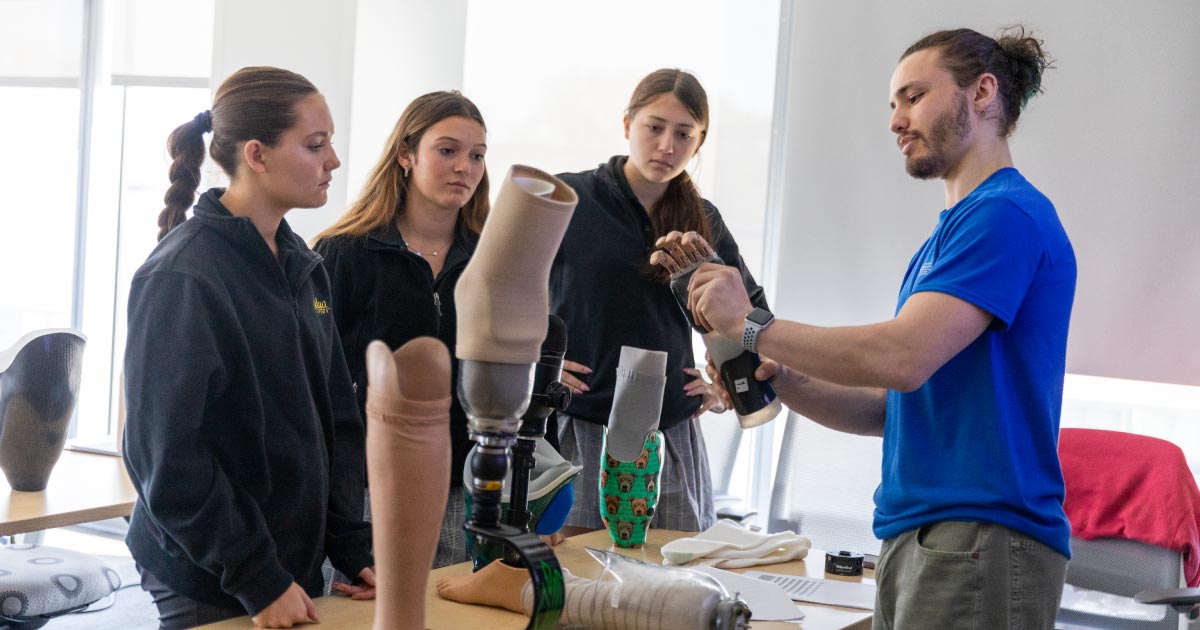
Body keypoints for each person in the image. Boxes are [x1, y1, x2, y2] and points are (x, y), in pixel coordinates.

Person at [683, 27, 1073, 628]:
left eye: (913, 97)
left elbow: (901, 357)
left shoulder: (1004, 216)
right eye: (893, 104)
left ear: (983, 93)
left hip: (977, 536)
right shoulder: (949, 237)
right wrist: (784, 378)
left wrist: (752, 323)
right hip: (924, 537)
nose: (896, 120)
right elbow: (891, 407)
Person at [123, 66, 375, 629]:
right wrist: (257, 577)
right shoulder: (182, 278)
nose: (333, 160)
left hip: (286, 566)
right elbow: (168, 463)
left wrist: (351, 547)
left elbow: (335, 422)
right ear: (257, 155)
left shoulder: (303, 265)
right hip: (211, 574)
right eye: (316, 145)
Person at [550, 68, 767, 534]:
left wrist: (726, 385)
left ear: (700, 140)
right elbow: (500, 290)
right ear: (627, 124)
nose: (667, 146)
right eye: (654, 127)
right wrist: (536, 364)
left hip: (671, 434)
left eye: (684, 134)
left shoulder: (704, 219)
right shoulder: (568, 199)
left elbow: (754, 313)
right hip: (582, 428)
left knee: (677, 588)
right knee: (581, 590)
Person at [312, 91, 489, 568]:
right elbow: (319, 381)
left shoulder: (492, 261)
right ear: (406, 155)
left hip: (465, 485)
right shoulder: (342, 254)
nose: (464, 168)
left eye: (476, 155)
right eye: (447, 150)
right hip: (367, 487)